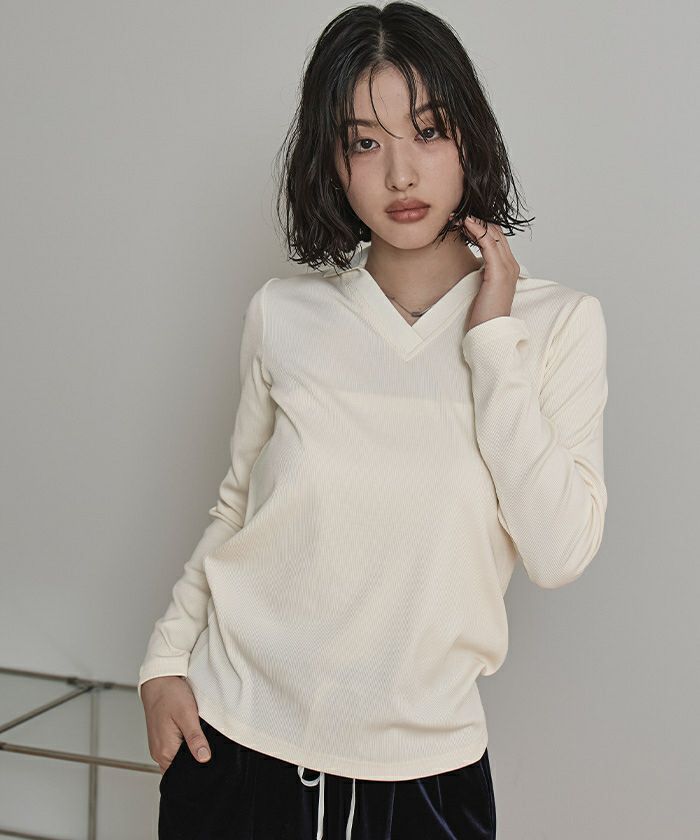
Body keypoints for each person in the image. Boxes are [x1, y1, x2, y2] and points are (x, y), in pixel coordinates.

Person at [138, 2, 608, 838]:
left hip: (421, 783)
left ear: (470, 138)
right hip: (235, 749)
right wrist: (164, 661)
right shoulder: (285, 314)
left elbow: (559, 550)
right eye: (364, 141)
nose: (400, 174)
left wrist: (492, 345)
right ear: (333, 161)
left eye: (427, 132)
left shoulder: (554, 326)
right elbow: (238, 507)